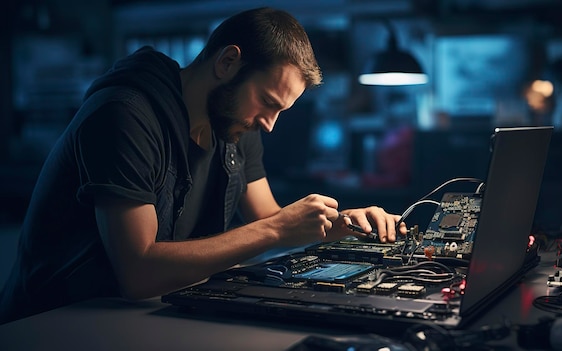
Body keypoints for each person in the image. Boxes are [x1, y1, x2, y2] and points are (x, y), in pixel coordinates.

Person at [0, 7, 406, 324]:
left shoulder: (234, 125)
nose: (269, 123)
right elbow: (138, 273)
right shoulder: (124, 115)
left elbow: (269, 220)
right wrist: (277, 229)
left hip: (146, 318)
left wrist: (339, 224)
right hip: (53, 325)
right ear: (228, 63)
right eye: (267, 102)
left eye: (281, 111)